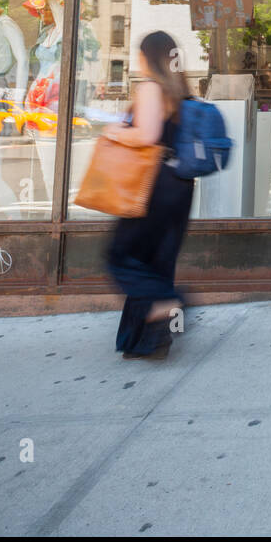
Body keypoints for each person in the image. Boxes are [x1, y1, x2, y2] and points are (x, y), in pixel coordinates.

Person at [102, 31, 194, 360]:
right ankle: (147, 339)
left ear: (148, 56)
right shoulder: (179, 90)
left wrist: (115, 131)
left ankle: (169, 301)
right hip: (178, 184)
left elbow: (148, 135)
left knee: (120, 256)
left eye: (140, 55)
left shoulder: (151, 87)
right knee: (156, 261)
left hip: (153, 184)